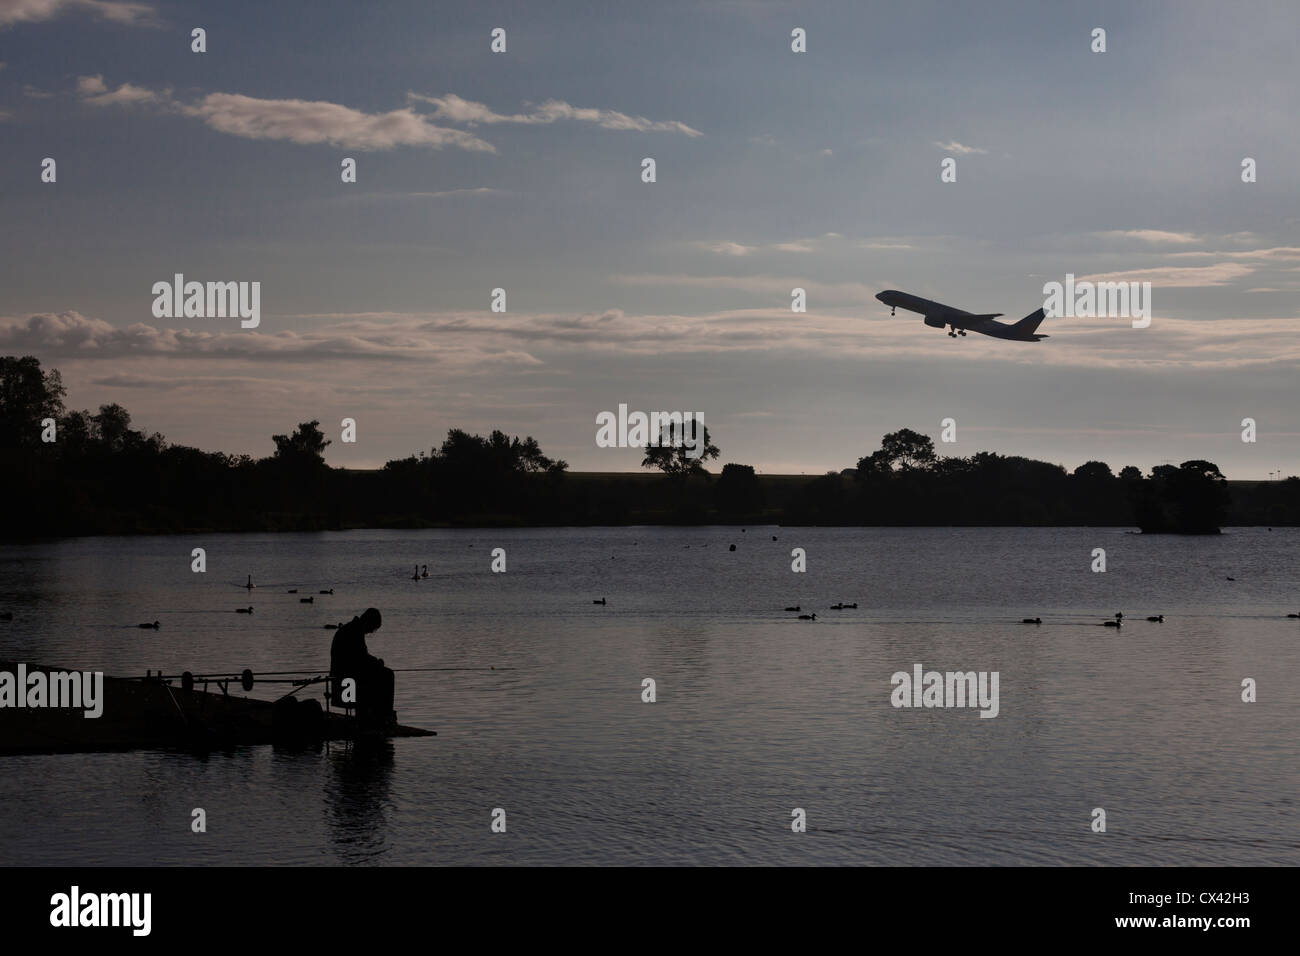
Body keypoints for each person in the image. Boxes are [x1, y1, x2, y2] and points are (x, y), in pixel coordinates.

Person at [330, 607, 395, 728]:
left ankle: (378, 714)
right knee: (388, 675)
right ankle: (384, 715)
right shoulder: (354, 631)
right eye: (373, 628)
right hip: (346, 680)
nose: (371, 632)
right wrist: (377, 663)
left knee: (381, 673)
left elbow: (359, 659)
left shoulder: (352, 628)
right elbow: (360, 659)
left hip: (343, 676)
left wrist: (374, 664)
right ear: (369, 622)